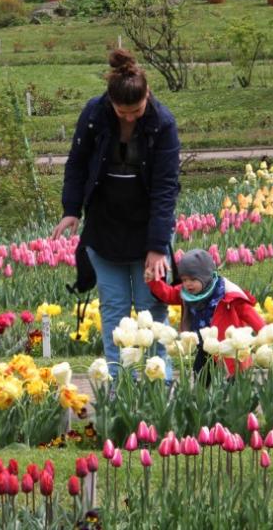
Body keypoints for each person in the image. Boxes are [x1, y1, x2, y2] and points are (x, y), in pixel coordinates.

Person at [52, 49, 180, 379]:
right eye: (121, 111)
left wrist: (156, 247)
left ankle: (159, 381)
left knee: (152, 311)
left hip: (146, 228)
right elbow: (77, 162)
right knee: (115, 312)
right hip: (104, 227)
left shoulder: (163, 124)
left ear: (147, 96)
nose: (128, 118)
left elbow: (166, 188)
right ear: (110, 102)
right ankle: (119, 382)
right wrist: (71, 209)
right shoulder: (95, 115)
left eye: (135, 111)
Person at [147, 248, 265, 378]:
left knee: (234, 377)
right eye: (184, 279)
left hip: (228, 346)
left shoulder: (226, 294)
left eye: (193, 279)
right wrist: (154, 281)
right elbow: (168, 294)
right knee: (200, 376)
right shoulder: (185, 294)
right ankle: (203, 398)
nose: (187, 284)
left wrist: (264, 332)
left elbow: (247, 312)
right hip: (204, 346)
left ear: (204, 277)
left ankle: (235, 395)